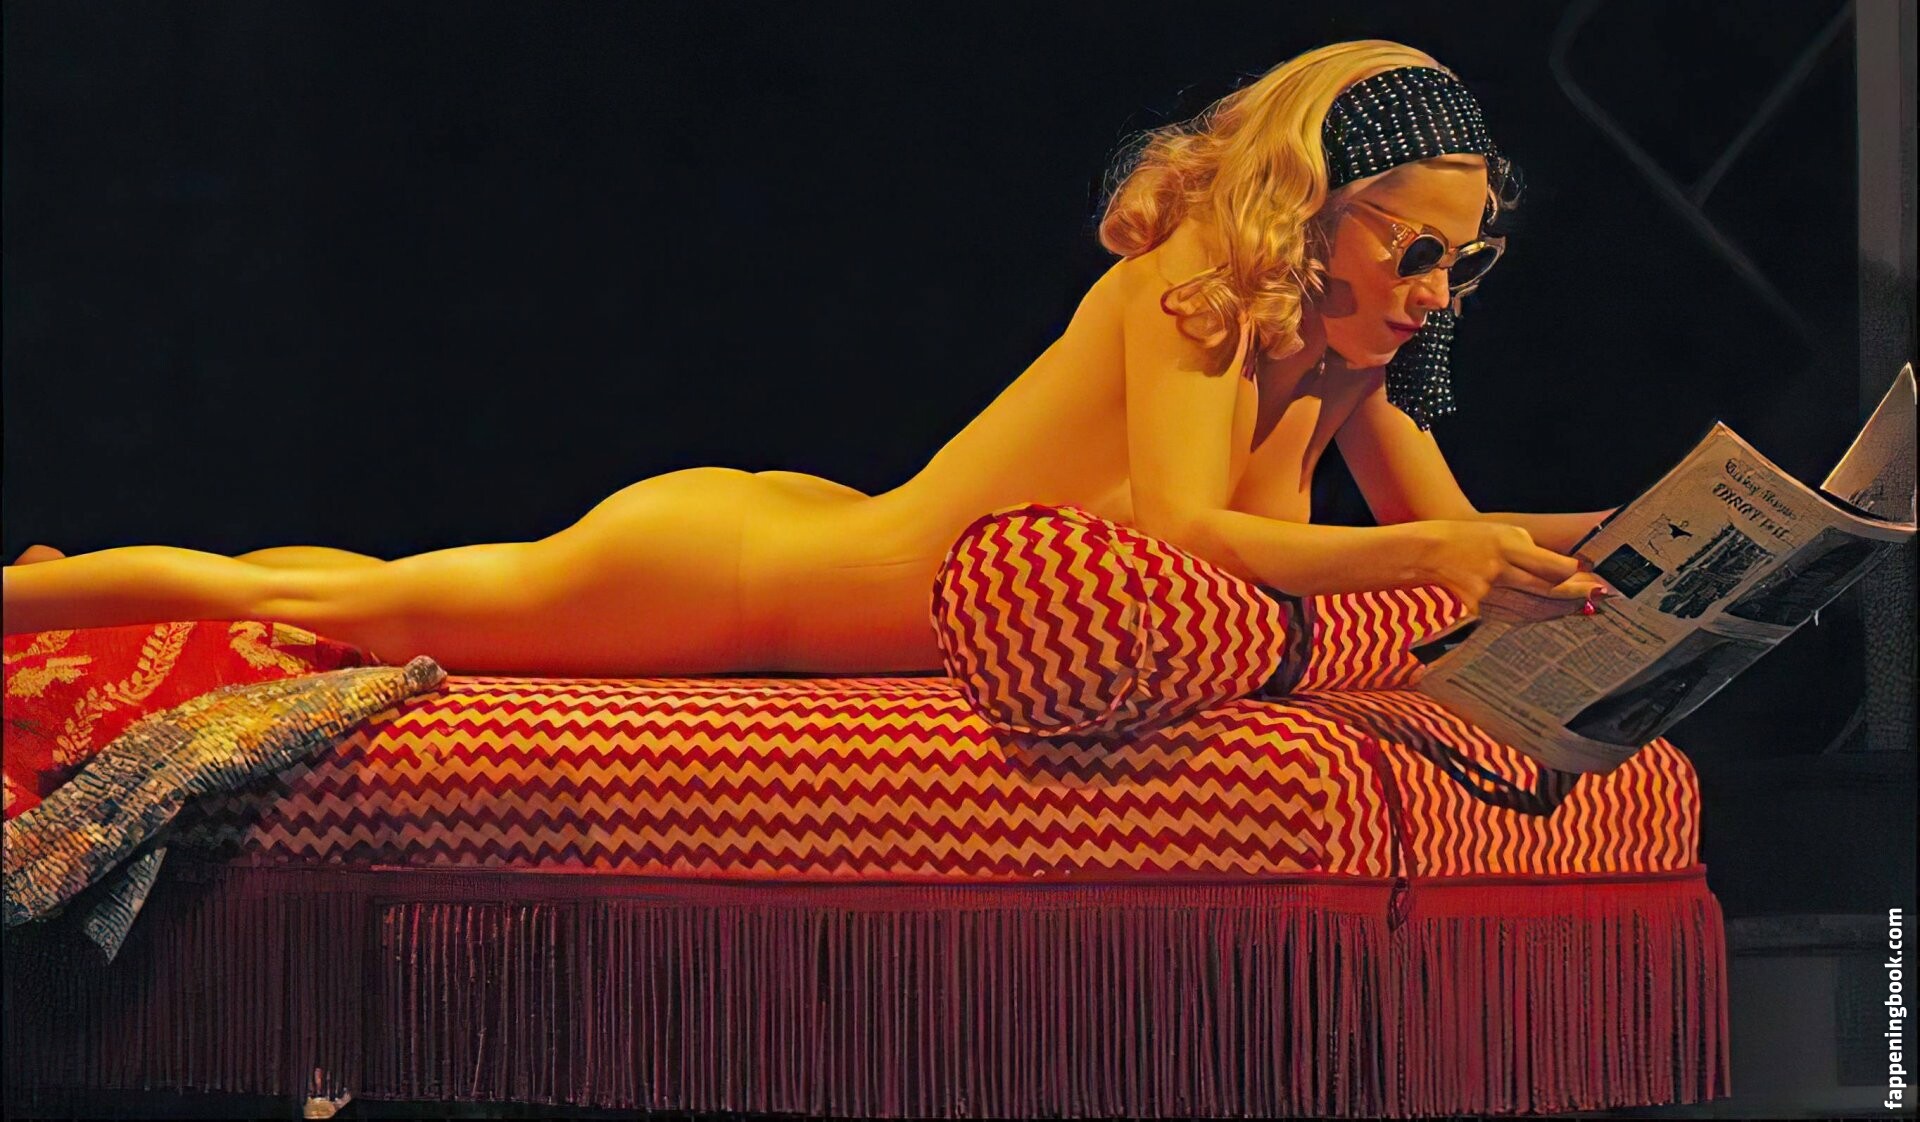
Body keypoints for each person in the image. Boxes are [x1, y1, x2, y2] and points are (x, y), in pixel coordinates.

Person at [3, 39, 1615, 677]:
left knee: (365, 586)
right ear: (1314, 205)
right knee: (348, 603)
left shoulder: (1347, 351)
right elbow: (1197, 531)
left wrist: (1650, 537)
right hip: (733, 578)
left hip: (807, 534)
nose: (1438, 289)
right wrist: (1449, 552)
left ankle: (61, 582)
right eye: (1415, 248)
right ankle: (31, 600)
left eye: (1464, 261)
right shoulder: (1194, 287)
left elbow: (1462, 540)